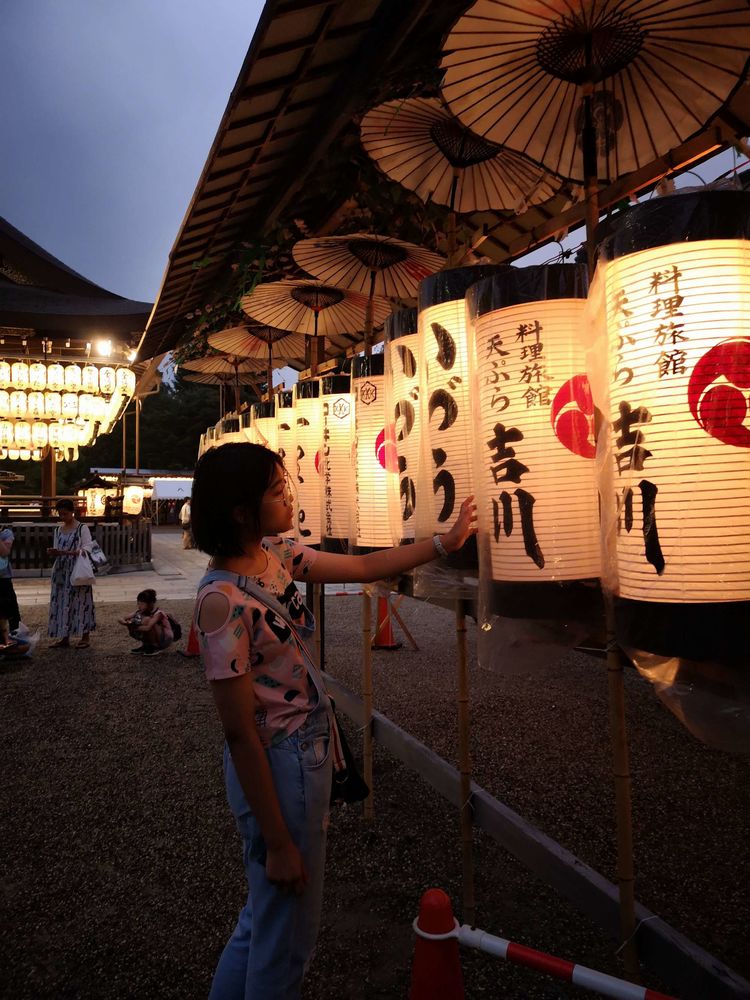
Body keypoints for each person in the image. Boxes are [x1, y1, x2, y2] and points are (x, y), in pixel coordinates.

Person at [192, 442, 476, 1000]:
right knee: (287, 938)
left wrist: (442, 543)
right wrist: (277, 841)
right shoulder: (220, 603)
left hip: (303, 752)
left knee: (264, 917)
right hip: (280, 764)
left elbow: (366, 566)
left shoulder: (275, 554)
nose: (291, 494)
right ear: (240, 511)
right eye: (276, 490)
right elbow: (239, 731)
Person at [47, 499, 96, 649]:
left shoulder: (82, 528)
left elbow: (88, 547)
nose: (63, 517)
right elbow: (57, 547)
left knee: (81, 601)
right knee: (62, 602)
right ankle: (64, 635)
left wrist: (72, 552)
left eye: (65, 513)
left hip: (77, 569)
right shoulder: (58, 530)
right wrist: (53, 552)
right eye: (60, 514)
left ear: (72, 512)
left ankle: (85, 636)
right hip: (61, 569)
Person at [118, 588, 175, 656]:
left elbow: (148, 628)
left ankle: (154, 647)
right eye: (138, 603)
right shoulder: (139, 611)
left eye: (142, 604)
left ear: (151, 603)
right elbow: (121, 618)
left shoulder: (159, 613)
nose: (139, 606)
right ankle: (146, 646)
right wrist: (126, 623)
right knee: (136, 619)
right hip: (157, 636)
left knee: (146, 620)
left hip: (164, 639)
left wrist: (133, 626)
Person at [0, 522, 21, 647]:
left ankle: (15, 637)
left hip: (3, 577)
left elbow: (4, 551)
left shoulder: (7, 533)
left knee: (9, 608)